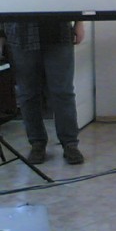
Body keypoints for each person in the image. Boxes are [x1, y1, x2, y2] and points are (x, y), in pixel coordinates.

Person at [1, 21, 85, 164]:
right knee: (27, 93)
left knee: (63, 92)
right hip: (20, 34)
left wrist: (79, 22)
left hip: (59, 33)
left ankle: (70, 144)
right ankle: (37, 143)